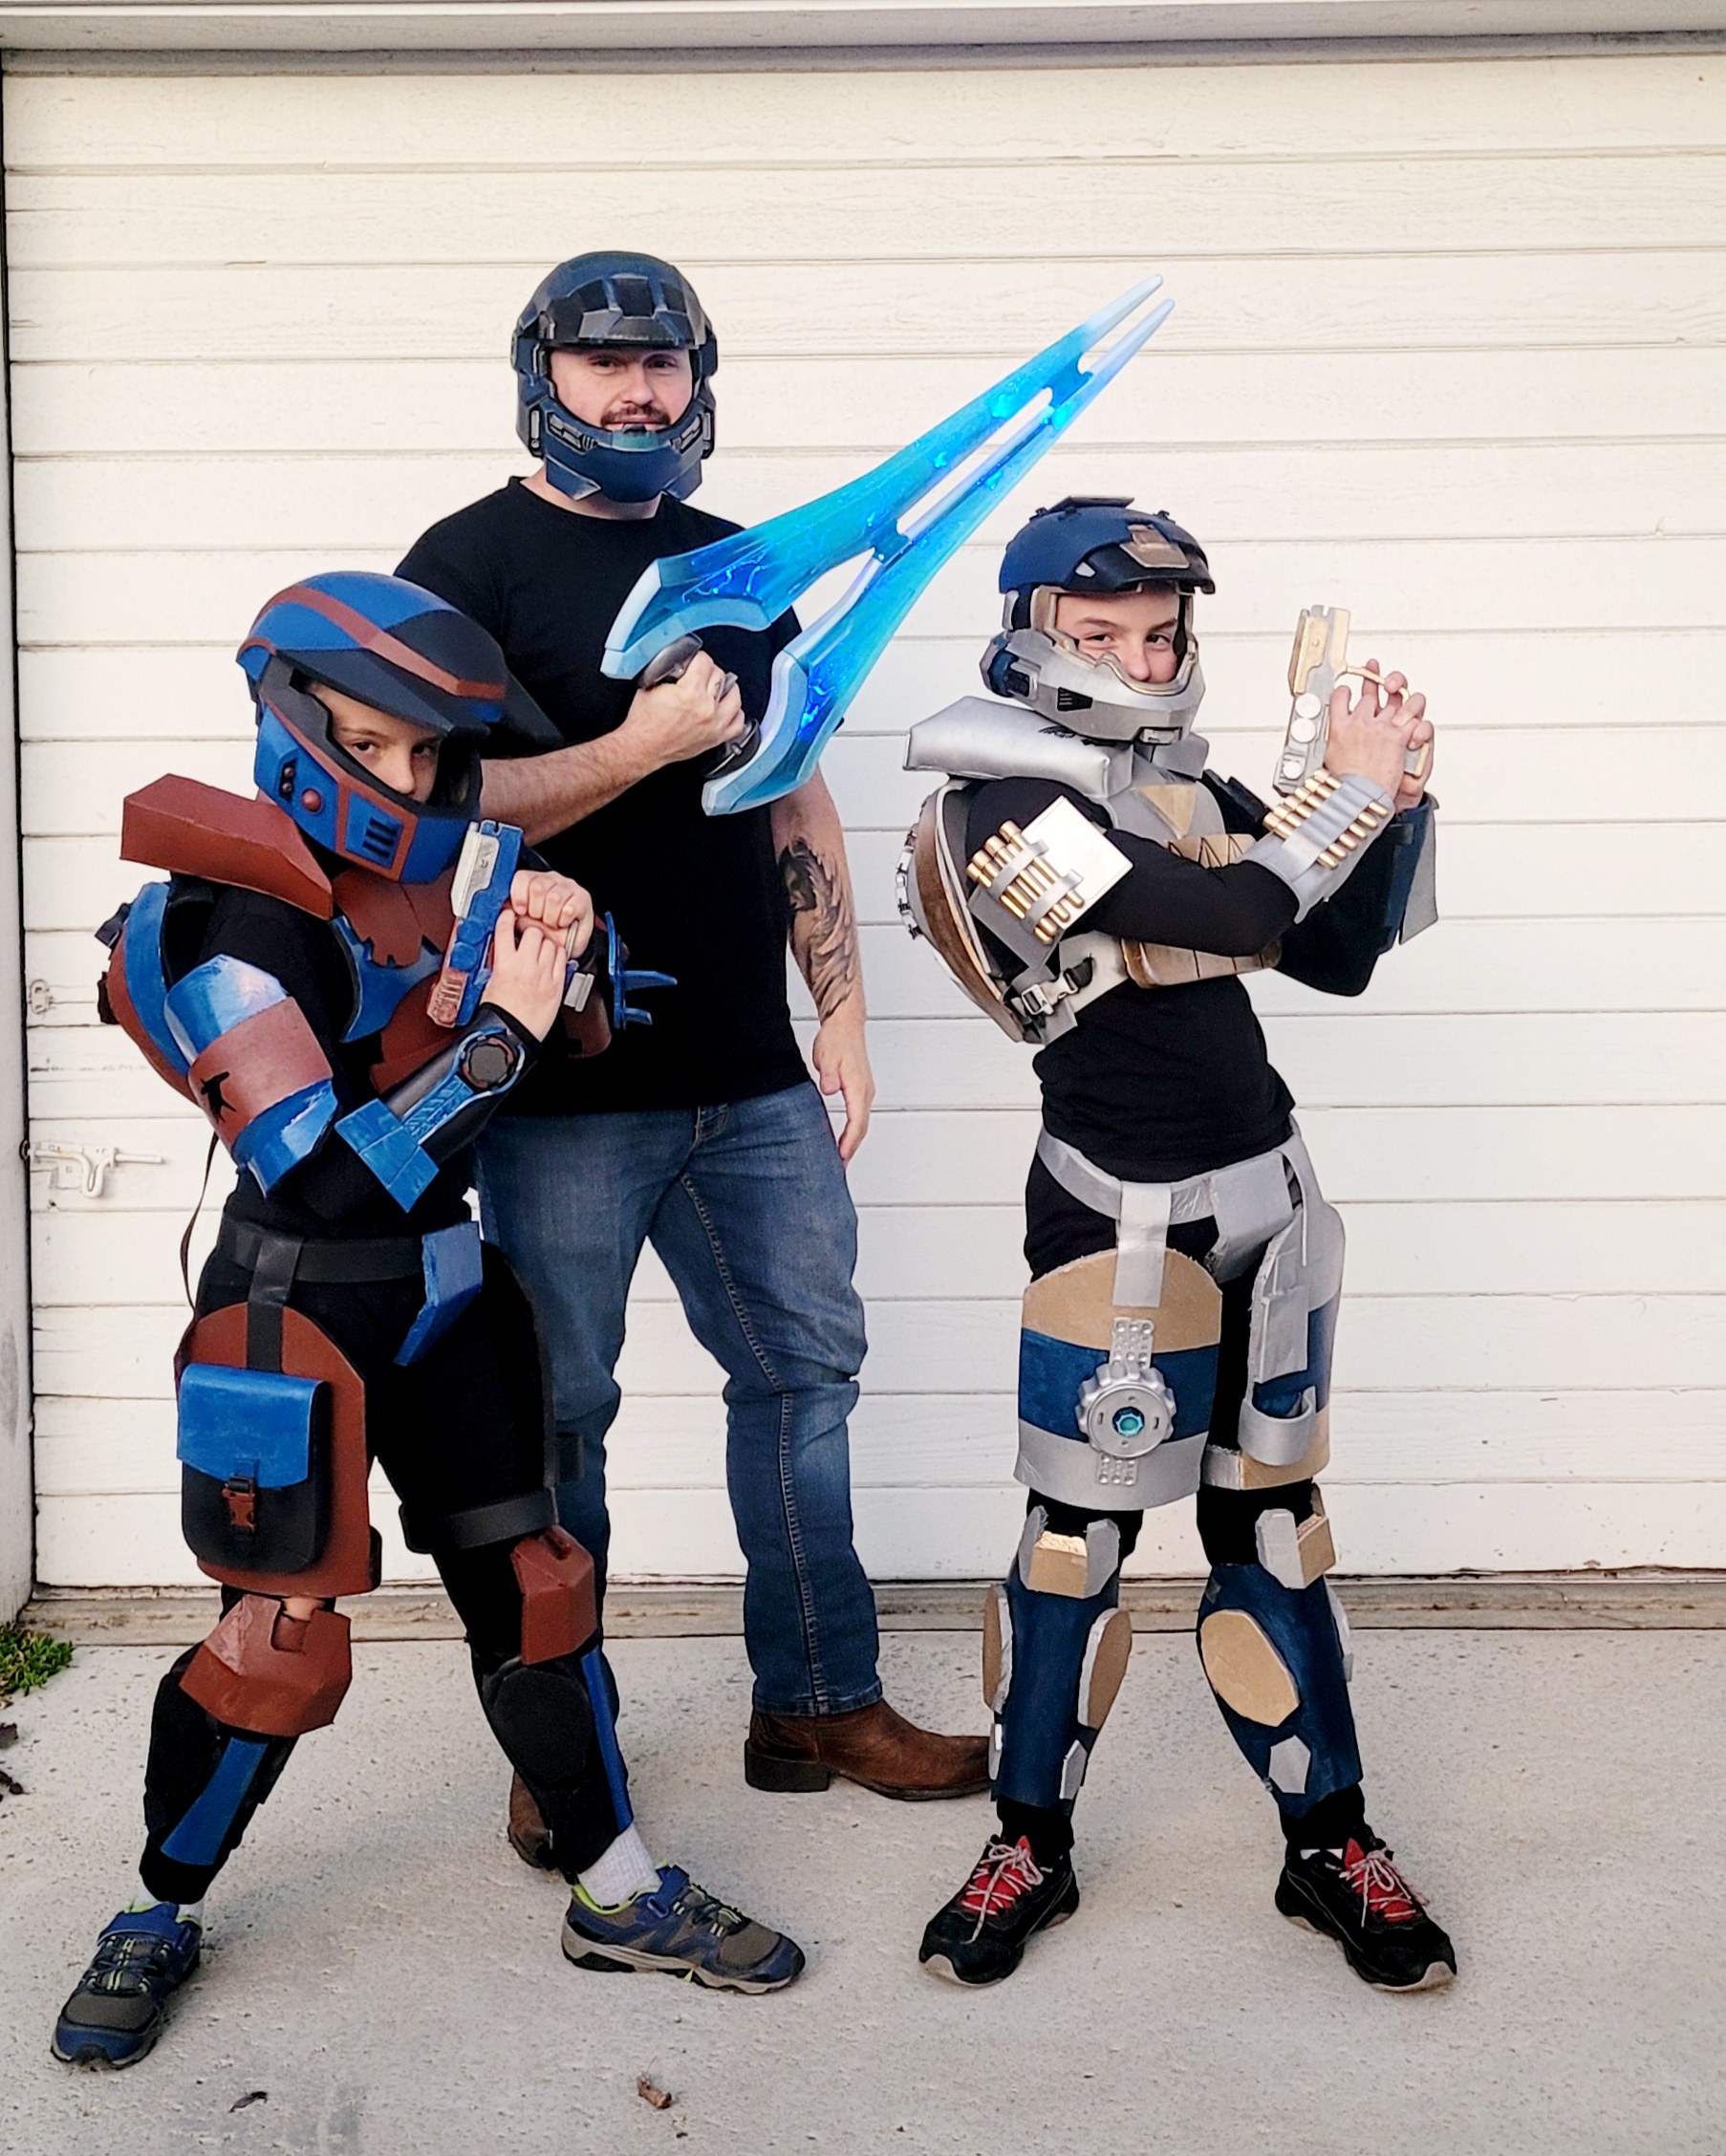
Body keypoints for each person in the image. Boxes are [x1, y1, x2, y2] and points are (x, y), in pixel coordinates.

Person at [54, 573, 804, 2071]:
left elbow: (569, 1038)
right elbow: (327, 1178)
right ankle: (155, 1909)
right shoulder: (217, 920)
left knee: (536, 1592)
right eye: (370, 745)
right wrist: (504, 1028)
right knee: (277, 1641)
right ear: (290, 724)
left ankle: (615, 1887)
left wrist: (567, 955)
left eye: (427, 754)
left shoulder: (423, 890)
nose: (405, 781)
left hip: (448, 1289)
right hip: (297, 1309)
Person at [399, 250, 987, 1858]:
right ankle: (563, 1746)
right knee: (559, 1420)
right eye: (603, 364)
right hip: (558, 1090)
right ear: (542, 376)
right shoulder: (463, 566)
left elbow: (792, 777)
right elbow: (438, 797)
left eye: (661, 364)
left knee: (804, 1381)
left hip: (750, 1077)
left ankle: (817, 1702)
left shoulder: (737, 561)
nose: (636, 390)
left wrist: (842, 1009)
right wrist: (642, 744)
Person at [899, 496, 1456, 1991]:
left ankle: (1328, 1842)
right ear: (1030, 635)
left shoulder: (1180, 785)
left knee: (1275, 1529)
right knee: (1073, 1541)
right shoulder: (995, 805)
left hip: (1263, 1193)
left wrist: (1393, 801)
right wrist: (1339, 799)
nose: (1139, 661)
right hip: (1113, 1209)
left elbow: (1327, 951)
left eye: (1159, 634)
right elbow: (1232, 911)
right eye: (1102, 634)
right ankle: (1028, 1840)